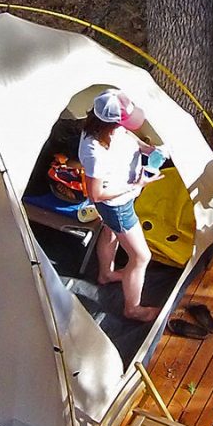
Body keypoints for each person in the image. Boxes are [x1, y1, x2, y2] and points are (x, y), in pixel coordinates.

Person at [78, 91, 160, 322]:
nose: (126, 127)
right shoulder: (94, 150)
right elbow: (96, 194)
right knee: (142, 256)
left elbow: (127, 135)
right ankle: (132, 308)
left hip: (120, 202)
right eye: (122, 123)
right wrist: (135, 185)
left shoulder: (109, 128)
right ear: (109, 123)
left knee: (110, 231)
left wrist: (148, 149)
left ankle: (105, 274)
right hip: (117, 205)